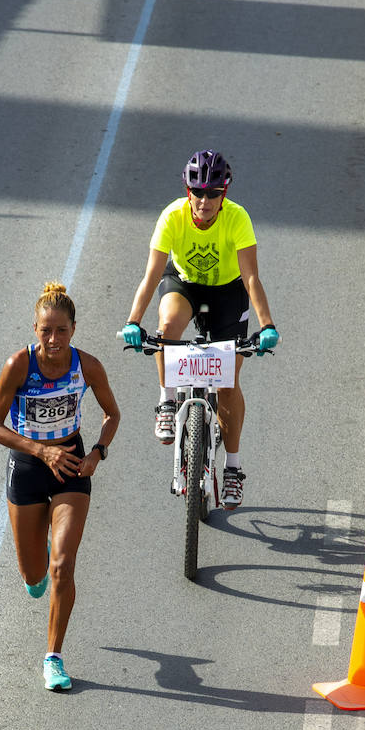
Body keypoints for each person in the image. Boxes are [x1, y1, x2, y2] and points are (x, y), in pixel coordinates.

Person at [121, 148, 279, 510]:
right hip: (186, 284)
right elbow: (149, 278)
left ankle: (233, 467)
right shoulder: (172, 217)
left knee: (227, 383)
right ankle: (166, 400)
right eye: (198, 192)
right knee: (166, 326)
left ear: (224, 193)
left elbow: (252, 278)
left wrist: (267, 325)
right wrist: (132, 321)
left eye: (213, 193)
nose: (204, 201)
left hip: (228, 291)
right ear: (187, 190)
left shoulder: (238, 219)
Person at [0, 281, 120, 691]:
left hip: (71, 468)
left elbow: (112, 414)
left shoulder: (88, 366)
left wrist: (97, 452)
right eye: (46, 330)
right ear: (35, 329)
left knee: (63, 565)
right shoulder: (18, 366)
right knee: (34, 576)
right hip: (28, 466)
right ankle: (37, 560)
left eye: (61, 330)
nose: (53, 339)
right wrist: (40, 452)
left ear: (74, 330)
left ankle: (54, 658)